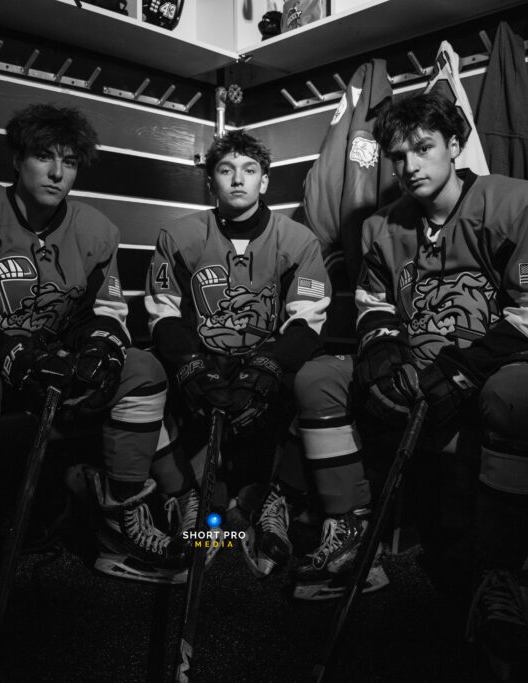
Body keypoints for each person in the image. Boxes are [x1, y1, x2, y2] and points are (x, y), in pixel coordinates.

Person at [0, 104, 182, 651]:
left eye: (70, 161)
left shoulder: (97, 230)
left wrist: (101, 343)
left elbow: (105, 312)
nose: (58, 173)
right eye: (43, 156)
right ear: (17, 159)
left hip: (53, 364)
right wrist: (10, 349)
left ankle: (120, 518)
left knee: (142, 367)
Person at [352, 91, 528, 668]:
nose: (410, 166)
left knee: (520, 399)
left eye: (423, 148)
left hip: (508, 360)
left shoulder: (521, 203)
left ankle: (502, 571)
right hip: (423, 365)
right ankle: (345, 530)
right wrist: (382, 350)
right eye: (398, 156)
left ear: (454, 145)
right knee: (325, 379)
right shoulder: (381, 226)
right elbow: (374, 302)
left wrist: (461, 370)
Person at [144, 130, 377, 599]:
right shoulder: (180, 235)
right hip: (205, 359)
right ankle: (192, 500)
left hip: (264, 360)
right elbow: (164, 314)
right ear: (211, 181)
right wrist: (191, 366)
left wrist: (267, 366)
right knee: (147, 374)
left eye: (249, 170)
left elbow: (307, 321)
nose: (238, 180)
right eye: (226, 170)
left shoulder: (298, 240)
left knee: (311, 380)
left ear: (264, 181)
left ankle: (279, 498)